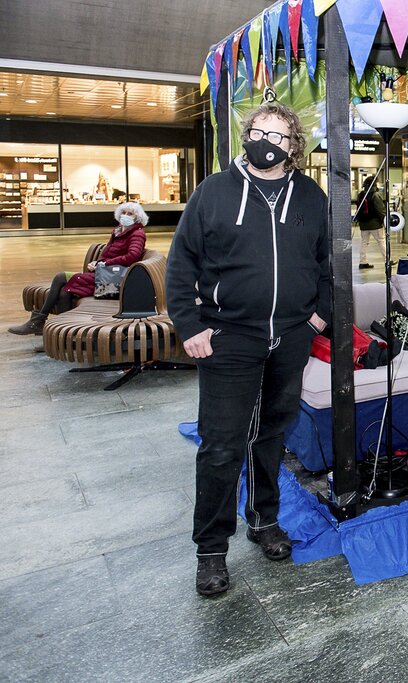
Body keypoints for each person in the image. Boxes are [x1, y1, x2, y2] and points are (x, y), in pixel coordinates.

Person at [165, 102, 330, 597]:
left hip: (291, 337)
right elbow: (180, 264)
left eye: (278, 136)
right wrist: (189, 323)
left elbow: (328, 265)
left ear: (293, 146)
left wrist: (318, 317)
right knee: (221, 444)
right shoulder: (214, 192)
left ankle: (264, 520)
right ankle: (211, 551)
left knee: (272, 435)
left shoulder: (309, 195)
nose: (266, 141)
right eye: (259, 131)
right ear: (246, 134)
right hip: (229, 338)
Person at [8, 202, 148, 335]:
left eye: (130, 213)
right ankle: (62, 333)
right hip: (104, 275)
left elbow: (133, 256)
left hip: (113, 281)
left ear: (137, 217)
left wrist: (105, 264)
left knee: (60, 277)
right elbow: (108, 254)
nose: (125, 215)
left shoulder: (137, 233)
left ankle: (38, 322)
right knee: (64, 292)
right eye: (123, 212)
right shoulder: (118, 232)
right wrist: (97, 262)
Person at [355, 176, 387, 269]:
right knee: (381, 241)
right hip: (375, 224)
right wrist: (384, 220)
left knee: (364, 242)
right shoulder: (375, 195)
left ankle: (362, 262)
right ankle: (387, 260)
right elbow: (380, 210)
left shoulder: (361, 194)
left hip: (363, 223)